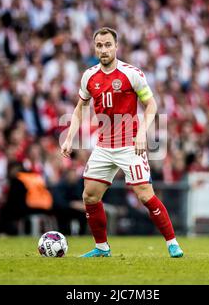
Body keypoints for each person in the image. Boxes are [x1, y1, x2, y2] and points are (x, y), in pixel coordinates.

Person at [61, 27, 183, 258]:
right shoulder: (89, 76)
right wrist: (69, 139)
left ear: (116, 47)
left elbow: (152, 106)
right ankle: (102, 247)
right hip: (104, 146)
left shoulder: (131, 73)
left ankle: (172, 243)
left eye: (108, 45)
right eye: (99, 45)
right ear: (94, 48)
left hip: (130, 144)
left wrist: (141, 134)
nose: (104, 49)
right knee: (90, 196)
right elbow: (80, 109)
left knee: (145, 195)